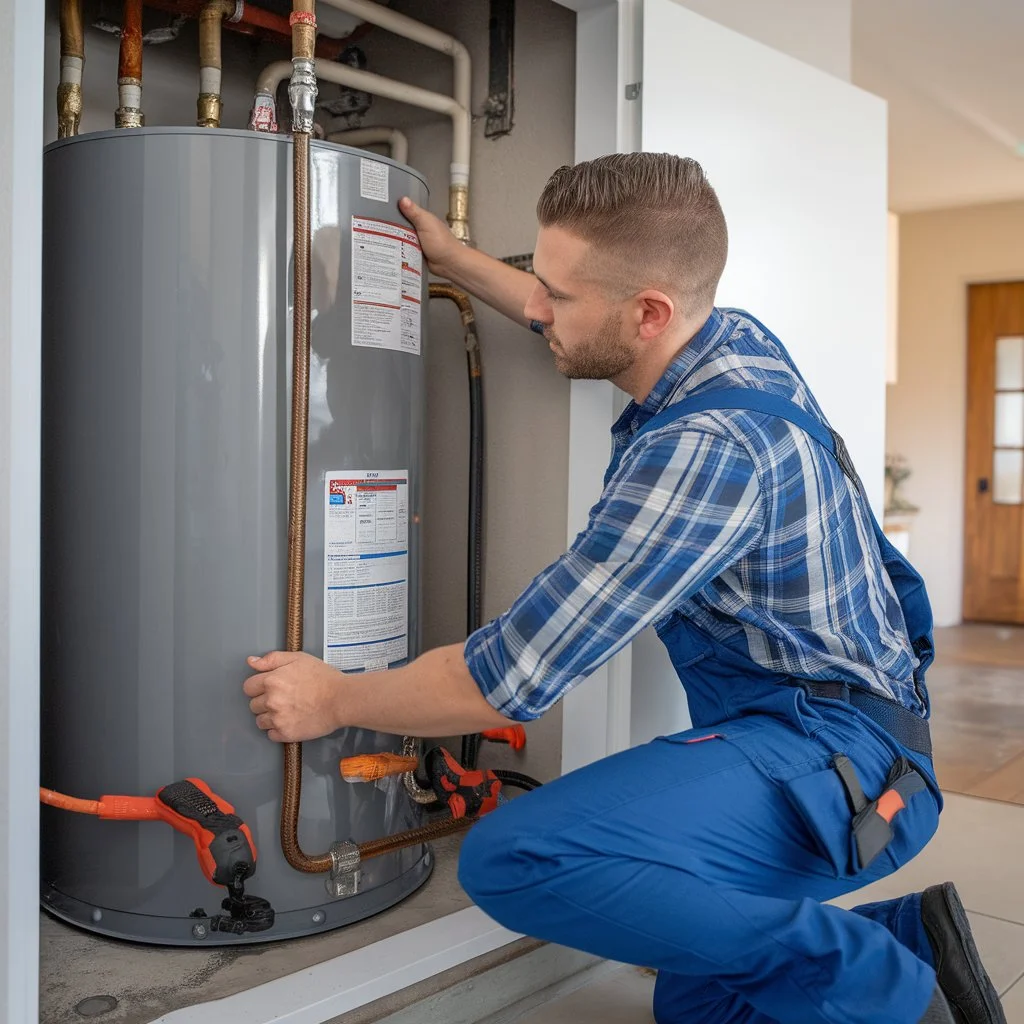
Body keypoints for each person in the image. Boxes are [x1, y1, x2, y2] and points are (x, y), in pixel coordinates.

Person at [243, 153, 1004, 1024]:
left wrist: (333, 697)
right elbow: (584, 317)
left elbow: (508, 679)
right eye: (539, 278)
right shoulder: (729, 340)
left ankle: (890, 987)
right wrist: (454, 262)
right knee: (696, 1004)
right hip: (836, 729)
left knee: (518, 858)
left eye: (554, 296)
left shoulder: (708, 449)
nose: (536, 307)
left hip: (845, 769)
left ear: (648, 313)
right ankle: (916, 938)